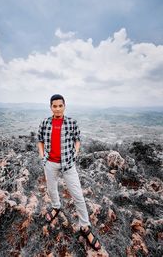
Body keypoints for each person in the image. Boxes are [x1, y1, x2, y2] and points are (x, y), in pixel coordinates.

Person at [37, 94, 101, 251]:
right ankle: (56, 207)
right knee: (52, 190)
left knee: (78, 195)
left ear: (64, 106)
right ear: (50, 107)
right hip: (50, 163)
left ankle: (85, 226)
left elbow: (77, 139)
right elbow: (40, 140)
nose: (57, 108)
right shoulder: (45, 122)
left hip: (68, 164)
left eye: (60, 105)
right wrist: (42, 156)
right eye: (54, 106)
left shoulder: (72, 122)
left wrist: (76, 153)